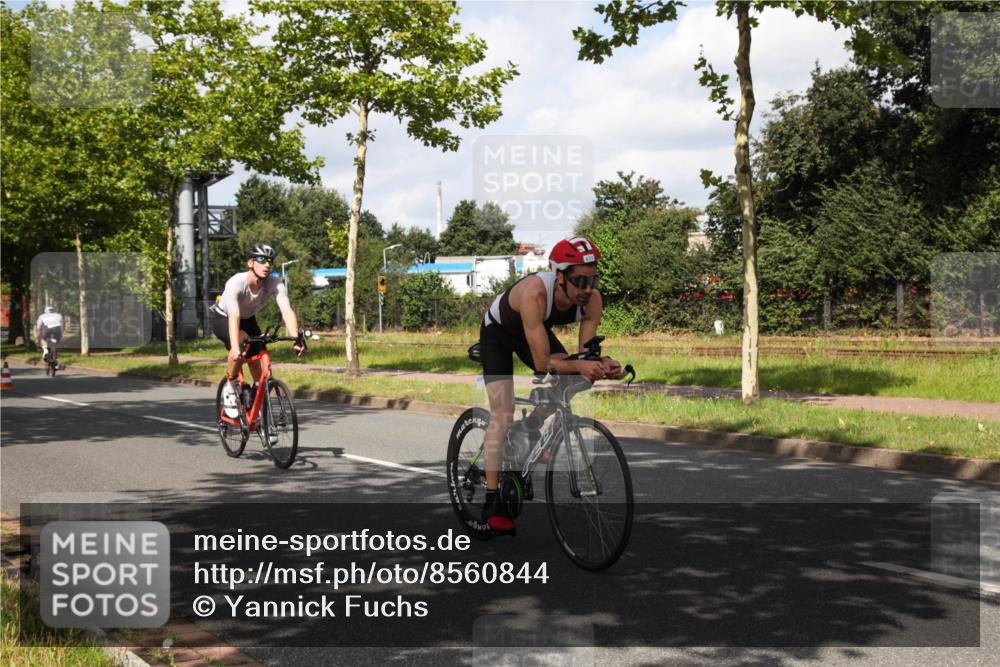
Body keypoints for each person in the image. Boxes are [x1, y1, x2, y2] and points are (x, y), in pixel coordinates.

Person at [477, 237, 622, 533]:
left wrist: (602, 365)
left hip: (533, 331)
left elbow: (583, 355)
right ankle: (492, 500)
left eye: (593, 280)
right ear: (559, 277)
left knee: (575, 379)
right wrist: (577, 364)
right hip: (500, 334)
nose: (587, 288)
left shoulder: (592, 300)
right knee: (502, 413)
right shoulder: (535, 294)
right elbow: (543, 362)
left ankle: (529, 427)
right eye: (580, 280)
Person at [212, 243, 306, 422]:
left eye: (270, 261)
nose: (267, 264)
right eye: (262, 260)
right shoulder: (236, 283)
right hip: (223, 318)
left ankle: (259, 405)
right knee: (241, 344)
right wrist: (234, 347)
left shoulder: (275, 282)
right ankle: (230, 387)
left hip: (248, 319)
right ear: (250, 263)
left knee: (258, 354)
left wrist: (296, 338)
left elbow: (286, 310)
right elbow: (234, 315)